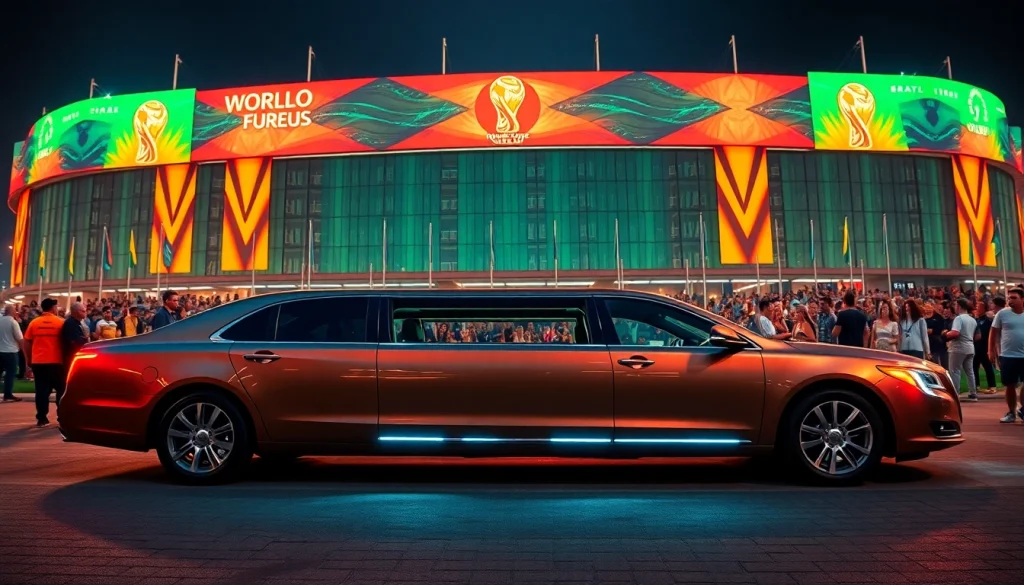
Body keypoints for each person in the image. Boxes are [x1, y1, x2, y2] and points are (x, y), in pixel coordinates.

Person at [22, 298, 65, 427]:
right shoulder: (61, 322)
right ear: (53, 308)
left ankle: (41, 418)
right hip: (57, 362)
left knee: (41, 390)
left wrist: (28, 359)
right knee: (61, 390)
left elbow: (26, 342)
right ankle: (61, 417)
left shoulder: (34, 323)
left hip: (39, 362)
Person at [989, 287, 1024, 423]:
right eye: (1009, 298)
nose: (1010, 300)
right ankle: (1011, 412)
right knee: (1010, 385)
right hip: (1008, 355)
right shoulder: (1003, 314)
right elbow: (993, 332)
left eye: (1014, 298)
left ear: (1022, 299)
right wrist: (991, 350)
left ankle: (1022, 410)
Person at [946, 298, 979, 401]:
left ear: (959, 306)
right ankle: (973, 393)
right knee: (970, 371)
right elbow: (976, 335)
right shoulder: (972, 319)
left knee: (955, 370)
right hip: (970, 346)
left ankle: (955, 393)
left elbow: (955, 332)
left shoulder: (959, 318)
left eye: (956, 305)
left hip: (958, 347)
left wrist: (945, 334)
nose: (955, 307)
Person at [0, 306, 25, 403]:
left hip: (0, 350)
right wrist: (24, 351)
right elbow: (20, 338)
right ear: (12, 312)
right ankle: (7, 394)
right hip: (11, 352)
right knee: (10, 374)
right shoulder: (13, 322)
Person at [973, 300, 998, 394]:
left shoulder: (988, 321)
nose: (976, 309)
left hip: (985, 347)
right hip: (975, 347)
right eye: (976, 307)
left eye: (978, 307)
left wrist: (992, 349)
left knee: (988, 366)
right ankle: (976, 386)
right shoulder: (975, 320)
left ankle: (992, 386)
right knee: (974, 367)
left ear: (984, 309)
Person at [61, 302, 89, 371]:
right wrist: (85, 340)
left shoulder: (78, 322)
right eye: (83, 311)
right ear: (77, 312)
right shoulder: (70, 323)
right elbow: (75, 342)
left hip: (76, 356)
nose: (85, 313)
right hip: (71, 357)